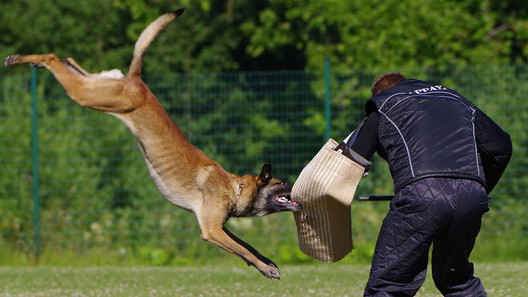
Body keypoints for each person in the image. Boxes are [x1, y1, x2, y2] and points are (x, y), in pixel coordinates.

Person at [349, 73, 512, 296]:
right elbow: (501, 147)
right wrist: (479, 190)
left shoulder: (384, 104)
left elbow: (351, 160)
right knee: (457, 280)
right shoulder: (454, 98)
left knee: (389, 285)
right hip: (471, 195)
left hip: (421, 194)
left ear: (379, 93)